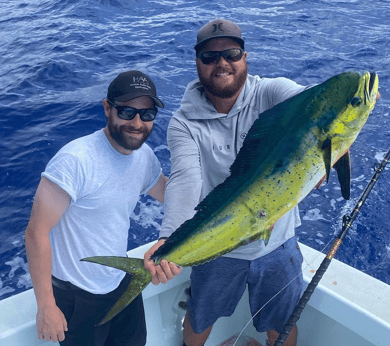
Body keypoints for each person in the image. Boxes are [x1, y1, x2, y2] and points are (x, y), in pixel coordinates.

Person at [145, 20, 305, 346]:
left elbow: (308, 103)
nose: (222, 63)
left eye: (231, 53)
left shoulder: (271, 93)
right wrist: (169, 236)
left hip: (277, 242)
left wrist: (331, 139)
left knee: (283, 325)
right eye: (210, 56)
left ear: (245, 56)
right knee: (200, 319)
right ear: (197, 63)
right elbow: (186, 179)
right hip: (218, 245)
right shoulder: (184, 123)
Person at [25, 70, 180, 346]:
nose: (136, 122)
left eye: (146, 115)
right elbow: (36, 233)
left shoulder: (143, 157)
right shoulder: (75, 160)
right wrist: (46, 305)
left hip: (122, 282)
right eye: (127, 111)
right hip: (77, 295)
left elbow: (170, 194)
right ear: (107, 108)